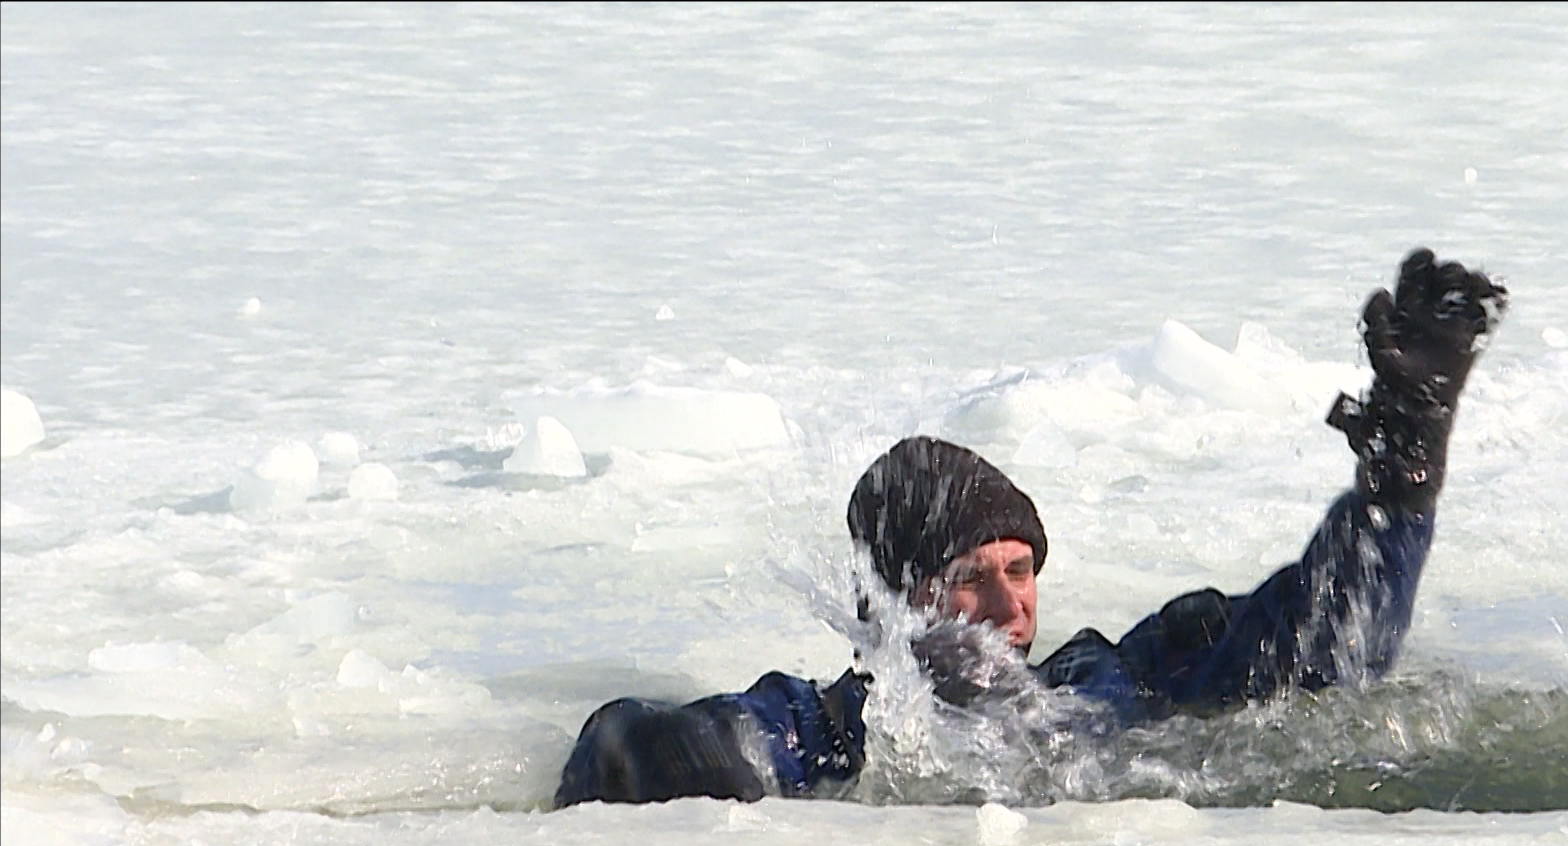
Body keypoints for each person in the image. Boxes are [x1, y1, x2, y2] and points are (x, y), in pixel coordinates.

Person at [553, 248, 1507, 808]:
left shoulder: (1108, 681)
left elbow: (1317, 646)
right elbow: (623, 740)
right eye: (973, 577)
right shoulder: (831, 729)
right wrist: (682, 760)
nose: (1012, 608)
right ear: (899, 600)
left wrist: (1398, 490)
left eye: (1022, 570)